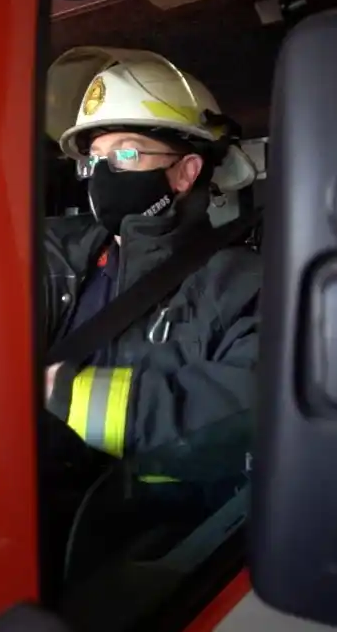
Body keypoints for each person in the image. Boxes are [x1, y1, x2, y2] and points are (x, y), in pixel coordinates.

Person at [37, 49, 262, 598]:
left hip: (164, 553)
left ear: (185, 172)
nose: (101, 175)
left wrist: (65, 398)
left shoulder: (241, 283)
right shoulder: (58, 259)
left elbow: (247, 413)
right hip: (35, 517)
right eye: (93, 159)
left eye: (127, 153)